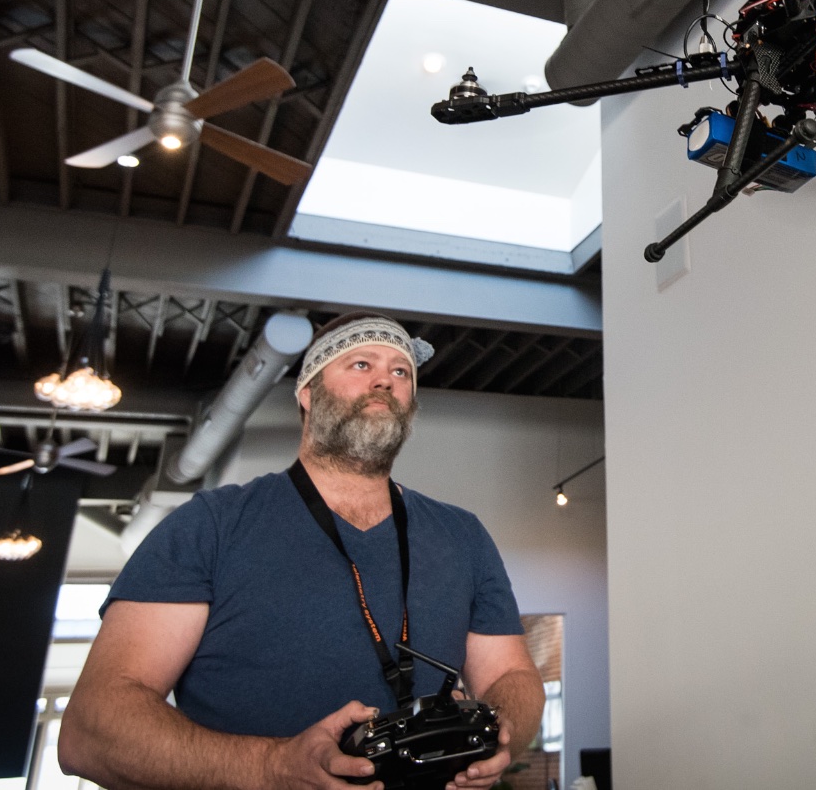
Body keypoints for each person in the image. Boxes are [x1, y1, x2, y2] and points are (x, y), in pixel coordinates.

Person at [61, 312, 543, 790]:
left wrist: (498, 739)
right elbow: (91, 730)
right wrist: (270, 767)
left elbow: (513, 676)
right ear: (308, 394)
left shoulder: (463, 535)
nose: (386, 381)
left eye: (401, 371)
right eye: (361, 364)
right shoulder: (211, 525)